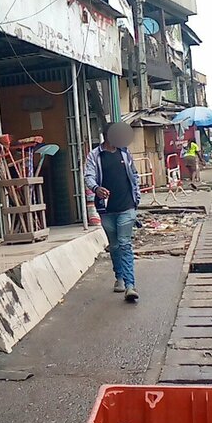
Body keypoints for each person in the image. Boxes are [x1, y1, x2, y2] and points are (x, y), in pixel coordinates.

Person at [84, 123, 141, 303]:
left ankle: (130, 285)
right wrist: (96, 188)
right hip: (106, 209)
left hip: (126, 207)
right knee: (114, 245)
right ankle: (120, 277)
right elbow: (88, 176)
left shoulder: (125, 153)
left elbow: (134, 175)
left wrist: (136, 199)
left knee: (125, 244)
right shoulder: (95, 155)